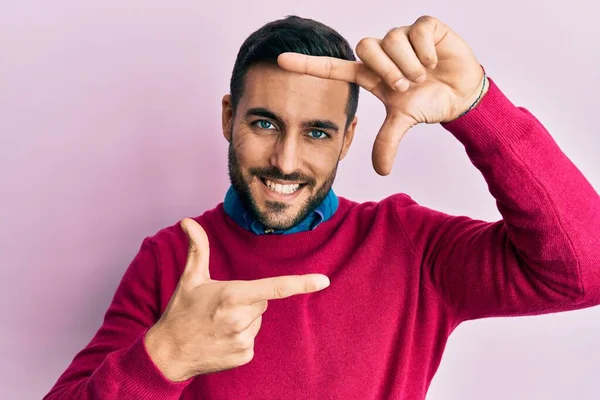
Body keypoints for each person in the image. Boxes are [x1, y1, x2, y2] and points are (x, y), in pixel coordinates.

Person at [44, 14, 600, 400]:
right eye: (264, 124)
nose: (286, 161)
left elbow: (585, 271)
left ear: (348, 138)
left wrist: (477, 107)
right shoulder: (174, 257)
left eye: (316, 132)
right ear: (226, 118)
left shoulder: (408, 245)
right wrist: (163, 359)